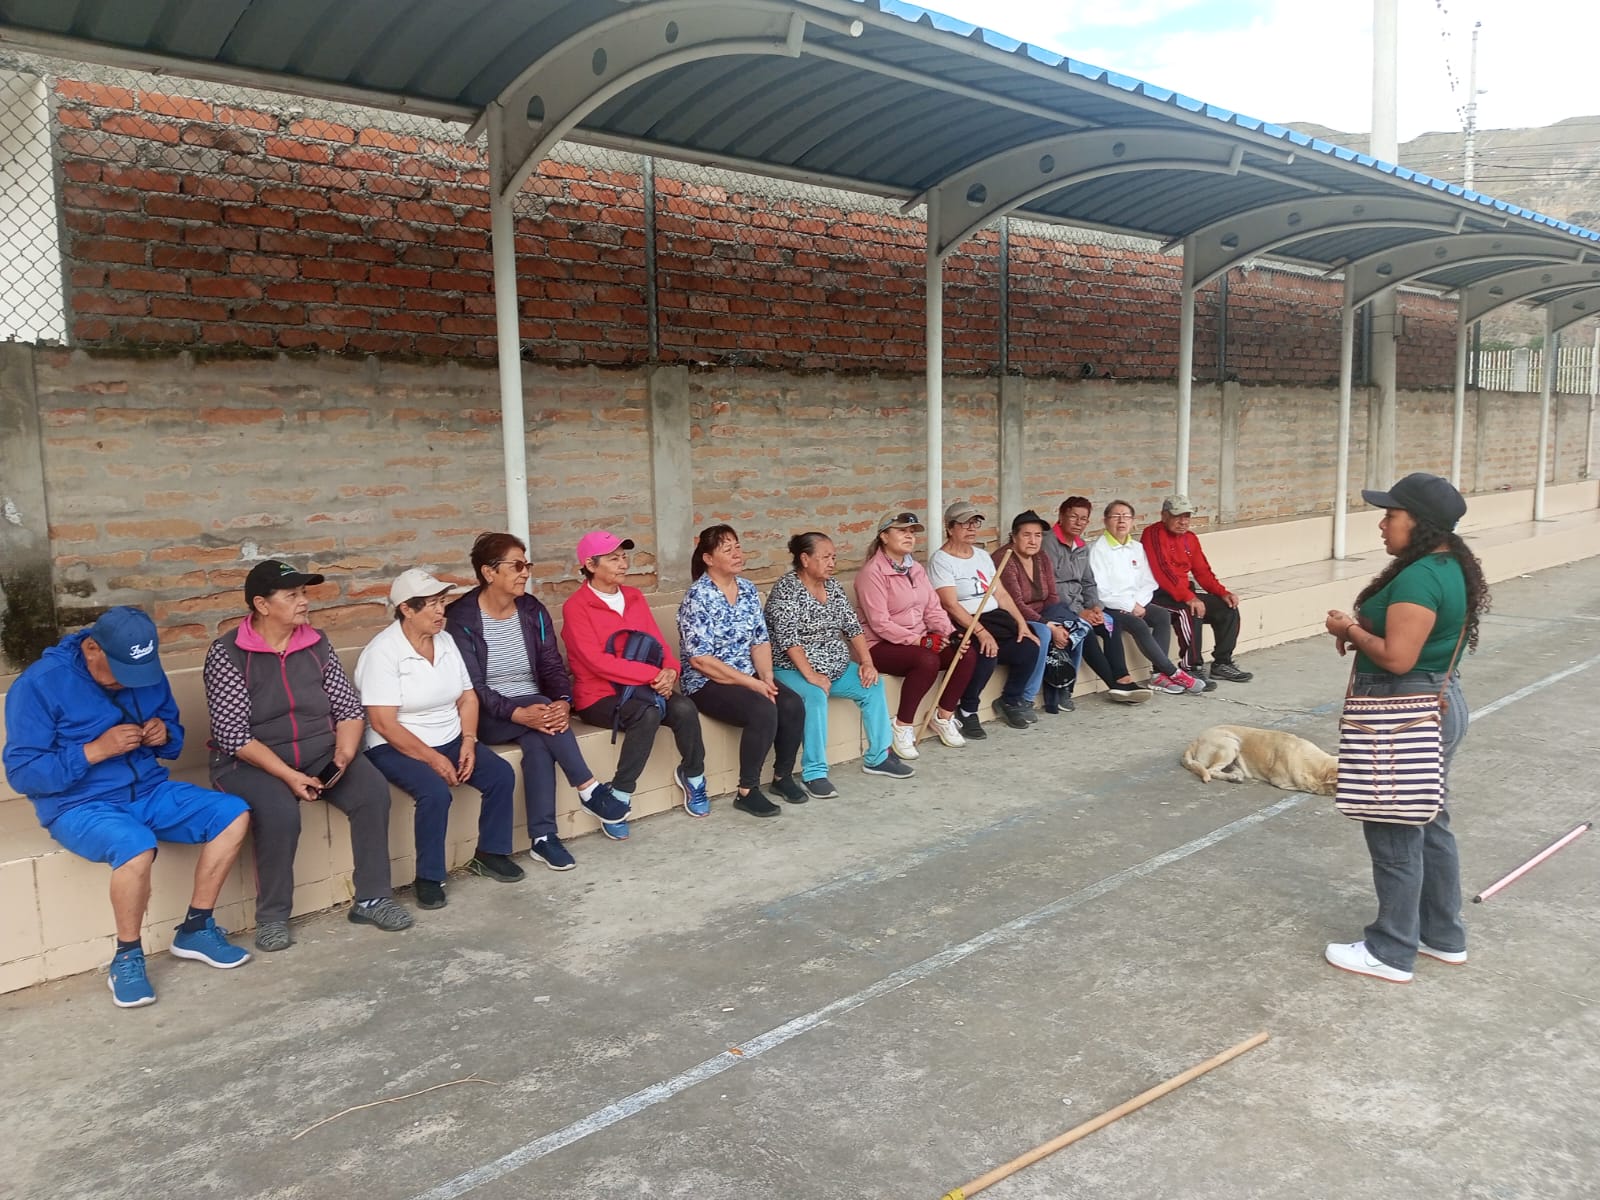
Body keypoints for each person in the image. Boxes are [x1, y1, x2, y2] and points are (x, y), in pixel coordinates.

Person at [3, 607, 251, 1007]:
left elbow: (173, 734)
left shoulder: (142, 670)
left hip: (150, 791)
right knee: (135, 845)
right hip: (79, 804)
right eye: (120, 672)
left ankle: (197, 927)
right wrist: (93, 751)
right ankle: (127, 957)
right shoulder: (38, 685)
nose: (128, 682)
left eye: (137, 673)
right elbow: (23, 774)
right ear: (91, 648)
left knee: (232, 814)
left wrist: (164, 734)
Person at [1322, 473, 1488, 984]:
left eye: (1391, 515)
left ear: (1419, 522)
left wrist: (1350, 629)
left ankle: (1391, 950)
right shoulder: (1445, 565)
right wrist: (1363, 629)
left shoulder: (1420, 577)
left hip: (1402, 711)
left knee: (1393, 823)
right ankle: (1442, 935)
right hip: (1433, 703)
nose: (1382, 524)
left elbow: (1398, 658)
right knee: (1428, 819)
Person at [205, 560, 413, 951]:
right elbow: (233, 735)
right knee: (279, 812)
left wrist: (343, 756)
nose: (304, 602)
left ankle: (372, 898)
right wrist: (288, 775)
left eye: (303, 594)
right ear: (262, 605)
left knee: (371, 791)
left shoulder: (316, 642)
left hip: (319, 751)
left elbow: (348, 709)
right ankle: (272, 917)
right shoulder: (228, 653)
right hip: (249, 762)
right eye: (292, 595)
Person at [445, 534, 630, 867]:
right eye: (516, 566)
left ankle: (543, 838)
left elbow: (552, 665)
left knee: (537, 741)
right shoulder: (461, 619)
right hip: (486, 713)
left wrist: (562, 701)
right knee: (539, 713)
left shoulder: (531, 610)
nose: (525, 573)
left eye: (526, 565)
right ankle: (588, 788)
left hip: (536, 711)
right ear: (489, 572)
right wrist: (518, 713)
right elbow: (472, 687)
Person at [355, 568, 523, 911]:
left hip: (450, 736)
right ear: (406, 609)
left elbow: (467, 697)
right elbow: (383, 723)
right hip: (394, 745)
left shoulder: (445, 641)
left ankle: (490, 854)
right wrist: (432, 758)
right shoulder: (382, 652)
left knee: (500, 774)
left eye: (442, 602)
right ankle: (429, 878)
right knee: (434, 792)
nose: (440, 611)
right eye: (431, 604)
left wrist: (468, 741)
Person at [563, 530, 710, 819]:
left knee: (684, 708)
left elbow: (658, 642)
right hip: (599, 696)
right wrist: (654, 675)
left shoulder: (634, 597)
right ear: (590, 565)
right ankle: (619, 794)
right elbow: (596, 662)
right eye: (613, 559)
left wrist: (670, 671)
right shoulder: (576, 607)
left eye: (623, 557)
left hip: (645, 688)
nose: (623, 564)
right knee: (647, 714)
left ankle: (694, 776)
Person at [765, 532, 915, 797]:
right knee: (814, 695)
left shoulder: (832, 587)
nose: (832, 563)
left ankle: (879, 757)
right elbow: (789, 641)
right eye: (825, 557)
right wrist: (811, 675)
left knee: (871, 684)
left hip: (834, 666)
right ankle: (814, 773)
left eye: (833, 557)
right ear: (805, 559)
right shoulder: (786, 590)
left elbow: (852, 627)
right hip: (790, 668)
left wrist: (867, 662)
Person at [677, 524, 807, 818]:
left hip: (747, 674)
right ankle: (747, 790)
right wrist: (751, 684)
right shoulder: (698, 597)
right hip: (707, 682)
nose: (737, 554)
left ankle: (782, 777)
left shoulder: (747, 589)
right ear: (708, 559)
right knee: (762, 709)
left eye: (737, 547)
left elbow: (759, 640)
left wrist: (766, 677)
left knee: (791, 703)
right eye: (728, 549)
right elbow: (700, 660)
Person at [1000, 509, 1148, 713]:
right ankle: (1027, 698)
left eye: (1037, 535)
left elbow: (1054, 595)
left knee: (1081, 627)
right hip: (1019, 617)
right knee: (1050, 632)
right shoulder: (1005, 559)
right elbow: (1016, 603)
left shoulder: (1042, 556)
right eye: (1027, 535)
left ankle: (1066, 689)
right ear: (1014, 536)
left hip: (1049, 611)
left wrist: (1081, 612)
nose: (1033, 541)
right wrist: (1051, 624)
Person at [854, 511, 974, 756]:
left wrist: (951, 633)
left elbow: (933, 608)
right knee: (926, 660)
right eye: (902, 531)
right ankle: (902, 726)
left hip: (917, 640)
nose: (909, 536)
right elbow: (880, 623)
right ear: (884, 536)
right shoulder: (871, 573)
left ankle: (943, 716)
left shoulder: (916, 568)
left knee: (965, 653)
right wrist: (920, 641)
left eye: (912, 532)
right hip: (878, 645)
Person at [927, 500, 1046, 734]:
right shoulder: (941, 560)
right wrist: (981, 633)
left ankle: (1010, 700)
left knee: (1029, 646)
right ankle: (967, 709)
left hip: (995, 619)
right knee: (986, 652)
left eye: (975, 523)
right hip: (966, 621)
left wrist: (1021, 623)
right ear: (949, 528)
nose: (971, 528)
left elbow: (1001, 594)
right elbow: (950, 604)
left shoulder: (982, 556)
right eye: (965, 524)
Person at [1040, 496, 1152, 706]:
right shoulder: (1047, 543)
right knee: (1086, 630)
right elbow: (1052, 586)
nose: (1079, 523)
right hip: (1054, 607)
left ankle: (1123, 677)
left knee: (1110, 623)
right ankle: (1115, 685)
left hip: (1080, 606)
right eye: (1074, 517)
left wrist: (1095, 607)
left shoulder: (1081, 546)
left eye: (1084, 519)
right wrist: (1080, 612)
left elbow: (1088, 582)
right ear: (1061, 516)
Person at [1089, 500, 1209, 695]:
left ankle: (1158, 676)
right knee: (1138, 624)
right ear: (1105, 521)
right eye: (1116, 516)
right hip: (1110, 606)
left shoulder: (1137, 548)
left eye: (1126, 516)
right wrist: (1130, 605)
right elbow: (1101, 590)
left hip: (1138, 602)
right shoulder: (1097, 550)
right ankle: (1173, 672)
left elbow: (1149, 582)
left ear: (1133, 521)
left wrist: (1139, 604)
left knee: (1161, 615)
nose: (1121, 521)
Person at [1142, 495, 1254, 683]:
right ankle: (1191, 667)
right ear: (1164, 515)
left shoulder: (1190, 538)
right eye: (1177, 516)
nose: (1183, 522)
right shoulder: (1153, 534)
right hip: (1159, 595)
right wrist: (1189, 597)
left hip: (1183, 592)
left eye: (1187, 516)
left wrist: (1222, 592)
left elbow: (1203, 572)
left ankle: (1222, 663)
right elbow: (1162, 571)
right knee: (1191, 611)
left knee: (1228, 608)